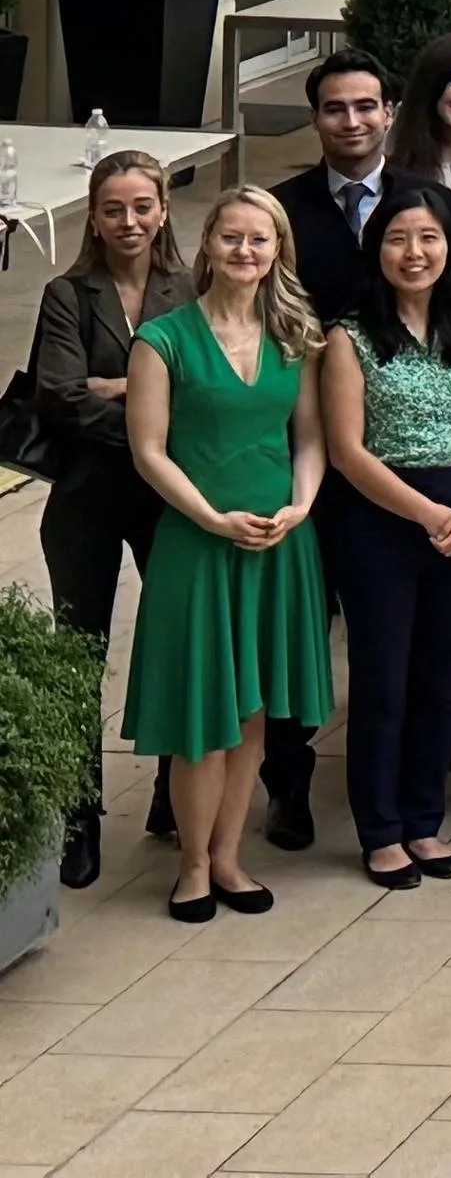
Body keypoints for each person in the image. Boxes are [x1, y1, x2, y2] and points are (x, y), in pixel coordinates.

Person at [123, 187, 332, 920]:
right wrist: (212, 518)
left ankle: (228, 857)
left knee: (251, 714)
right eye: (232, 238)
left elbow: (309, 438)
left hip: (277, 541)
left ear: (279, 251)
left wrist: (301, 506)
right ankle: (189, 864)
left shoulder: (296, 337)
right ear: (207, 243)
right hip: (199, 541)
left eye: (261, 240)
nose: (246, 252)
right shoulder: (163, 340)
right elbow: (148, 451)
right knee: (202, 713)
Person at [317, 185, 451, 886]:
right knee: (383, 680)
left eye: (428, 237)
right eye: (398, 238)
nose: (414, 253)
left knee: (442, 678)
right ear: (377, 249)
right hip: (380, 523)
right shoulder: (350, 336)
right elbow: (347, 452)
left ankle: (424, 820)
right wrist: (429, 515)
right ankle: (381, 829)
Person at [29, 151, 194, 884]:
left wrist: (124, 386)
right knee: (77, 657)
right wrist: (150, 409)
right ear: (93, 218)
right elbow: (60, 396)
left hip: (172, 501)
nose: (129, 222)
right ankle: (79, 818)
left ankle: (170, 792)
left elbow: (205, 385)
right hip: (86, 500)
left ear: (163, 211)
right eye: (113, 209)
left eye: (142, 207)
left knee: (177, 643)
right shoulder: (67, 294)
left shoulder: (189, 290)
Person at [277, 48, 420, 334]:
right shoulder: (279, 209)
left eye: (365, 107)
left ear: (388, 114)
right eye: (334, 109)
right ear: (314, 118)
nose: (351, 122)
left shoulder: (427, 202)